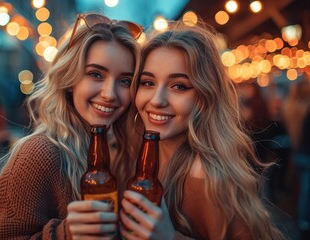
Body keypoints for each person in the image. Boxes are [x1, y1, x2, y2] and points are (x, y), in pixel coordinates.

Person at [0, 13, 143, 239]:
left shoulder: (123, 149)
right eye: (95, 74)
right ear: (69, 79)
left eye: (125, 80)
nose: (109, 94)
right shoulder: (38, 154)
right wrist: (63, 234)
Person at [120, 21, 285, 240]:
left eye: (179, 86)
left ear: (204, 98)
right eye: (148, 82)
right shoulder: (138, 156)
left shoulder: (208, 177)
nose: (157, 100)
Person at [283, 78, 310, 240]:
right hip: (306, 155)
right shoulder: (307, 109)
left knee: (302, 189)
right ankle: (304, 223)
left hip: (297, 153)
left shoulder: (289, 107)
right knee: (306, 192)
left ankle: (301, 220)